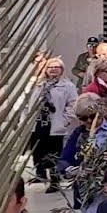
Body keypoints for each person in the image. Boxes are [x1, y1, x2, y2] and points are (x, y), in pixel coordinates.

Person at [29, 57, 77, 193]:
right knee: (39, 151)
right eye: (50, 67)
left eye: (57, 67)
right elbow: (29, 103)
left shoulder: (68, 86)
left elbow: (73, 104)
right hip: (38, 124)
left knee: (54, 153)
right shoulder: (38, 85)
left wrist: (65, 120)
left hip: (55, 124)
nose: (53, 69)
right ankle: (40, 174)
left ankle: (55, 180)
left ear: (62, 70)